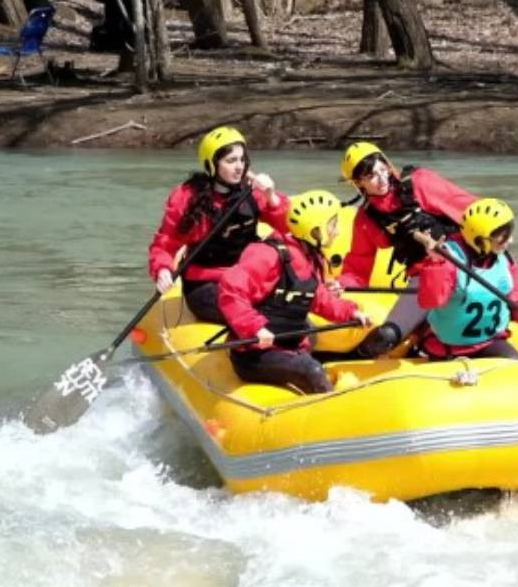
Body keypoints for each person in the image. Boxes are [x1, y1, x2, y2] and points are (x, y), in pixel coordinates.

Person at [217, 190, 371, 394]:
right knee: (313, 370)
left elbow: (318, 297)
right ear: (316, 230)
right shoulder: (267, 254)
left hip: (288, 345)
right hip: (253, 354)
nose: (336, 231)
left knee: (312, 341)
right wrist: (254, 328)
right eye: (332, 224)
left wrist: (351, 312)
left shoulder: (310, 258)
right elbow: (230, 289)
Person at [337, 141, 476, 357]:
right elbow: (357, 266)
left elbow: (468, 207)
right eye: (371, 176)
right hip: (426, 280)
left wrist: (494, 235)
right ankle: (349, 362)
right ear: (358, 183)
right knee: (386, 336)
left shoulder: (420, 182)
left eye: (383, 169)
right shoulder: (367, 220)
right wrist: (341, 286)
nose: (382, 179)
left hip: (463, 266)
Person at [148, 126, 289, 325]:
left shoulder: (253, 192)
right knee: (260, 316)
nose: (239, 167)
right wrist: (162, 269)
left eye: (242, 160)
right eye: (231, 161)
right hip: (206, 284)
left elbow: (287, 226)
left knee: (287, 311)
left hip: (247, 279)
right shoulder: (188, 198)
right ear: (212, 164)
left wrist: (271, 196)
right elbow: (164, 244)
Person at [413, 198, 518, 360]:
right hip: (447, 346)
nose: (510, 241)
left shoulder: (504, 259)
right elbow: (430, 301)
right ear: (481, 240)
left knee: (515, 366)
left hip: (490, 343)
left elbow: (513, 291)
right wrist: (436, 262)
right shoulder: (447, 260)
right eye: (503, 237)